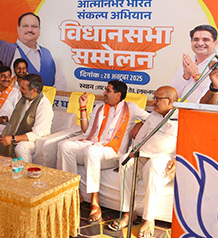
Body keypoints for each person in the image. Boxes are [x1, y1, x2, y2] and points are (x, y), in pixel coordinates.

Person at [57, 80, 149, 223]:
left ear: (118, 95)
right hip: (92, 145)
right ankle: (74, 192)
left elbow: (151, 120)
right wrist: (83, 107)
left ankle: (95, 201)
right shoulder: (99, 107)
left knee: (91, 150)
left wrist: (139, 124)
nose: (104, 93)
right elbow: (86, 131)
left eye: (108, 90)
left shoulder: (130, 108)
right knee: (64, 146)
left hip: (112, 152)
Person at [110, 86, 179, 238]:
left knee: (152, 166)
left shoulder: (181, 117)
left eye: (157, 99)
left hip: (164, 158)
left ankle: (148, 219)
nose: (153, 102)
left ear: (170, 101)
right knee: (125, 162)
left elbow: (187, 142)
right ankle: (128, 213)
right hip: (144, 154)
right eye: (154, 98)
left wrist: (178, 159)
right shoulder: (153, 116)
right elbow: (140, 138)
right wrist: (133, 151)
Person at [0, 74, 53, 163]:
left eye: (23, 88)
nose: (20, 90)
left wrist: (13, 138)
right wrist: (10, 135)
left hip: (34, 140)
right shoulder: (23, 98)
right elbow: (14, 121)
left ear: (34, 90)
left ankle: (24, 170)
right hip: (15, 133)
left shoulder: (44, 106)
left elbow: (37, 134)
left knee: (21, 148)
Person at [12, 12, 66, 89]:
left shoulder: (47, 53)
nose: (30, 30)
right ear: (18, 28)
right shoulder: (10, 52)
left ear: (39, 29)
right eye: (25, 26)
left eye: (34, 26)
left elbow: (61, 84)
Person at [170, 25, 218, 103]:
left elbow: (215, 95)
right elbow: (173, 94)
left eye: (205, 39)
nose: (200, 43)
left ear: (215, 43)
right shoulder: (187, 62)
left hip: (203, 110)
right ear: (191, 42)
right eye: (196, 39)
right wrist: (186, 77)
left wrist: (196, 75)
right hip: (182, 109)